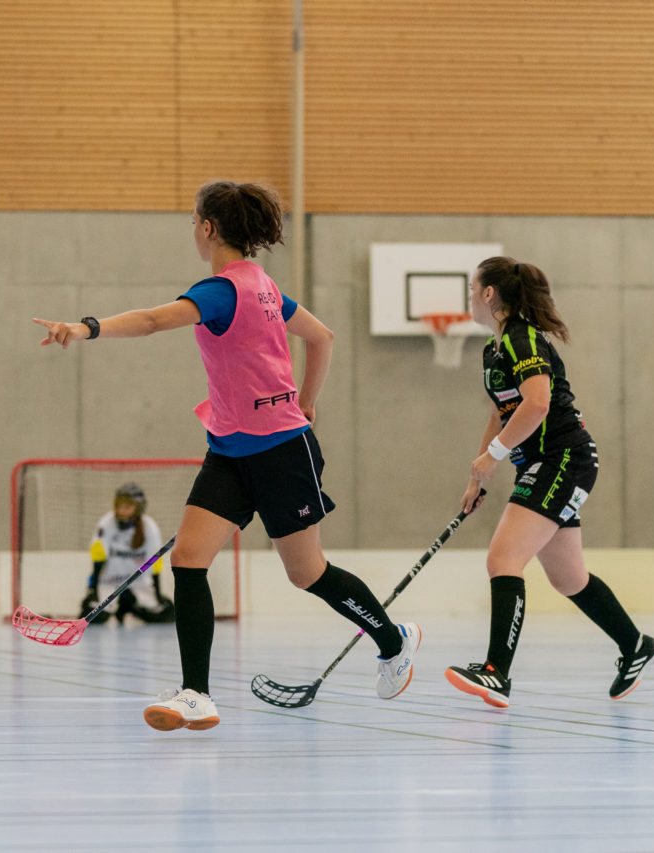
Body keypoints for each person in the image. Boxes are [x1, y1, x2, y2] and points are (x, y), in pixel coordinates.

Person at [34, 179, 420, 732]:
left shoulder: (221, 290)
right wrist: (307, 401)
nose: (193, 229)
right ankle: (197, 694)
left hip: (283, 453)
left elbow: (150, 320)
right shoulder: (263, 286)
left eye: (194, 220)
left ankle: (393, 641)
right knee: (189, 559)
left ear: (209, 227)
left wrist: (84, 327)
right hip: (230, 451)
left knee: (307, 573)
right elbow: (322, 337)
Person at [445, 257, 654, 707]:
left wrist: (495, 456)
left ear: (490, 294)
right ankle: (636, 645)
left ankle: (495, 673)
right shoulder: (495, 348)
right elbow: (501, 412)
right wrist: (479, 472)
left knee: (503, 557)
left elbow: (538, 404)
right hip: (544, 463)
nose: (470, 295)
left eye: (473, 288)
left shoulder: (523, 339)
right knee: (568, 578)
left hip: (562, 459)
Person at [79, 482, 174, 624]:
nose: (122, 510)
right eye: (119, 505)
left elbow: (155, 562)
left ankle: (131, 607)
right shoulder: (106, 523)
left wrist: (158, 594)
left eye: (127, 506)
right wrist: (93, 590)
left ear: (138, 508)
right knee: (90, 614)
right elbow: (98, 557)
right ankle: (120, 608)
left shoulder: (150, 527)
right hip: (109, 584)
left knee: (168, 613)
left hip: (139, 585)